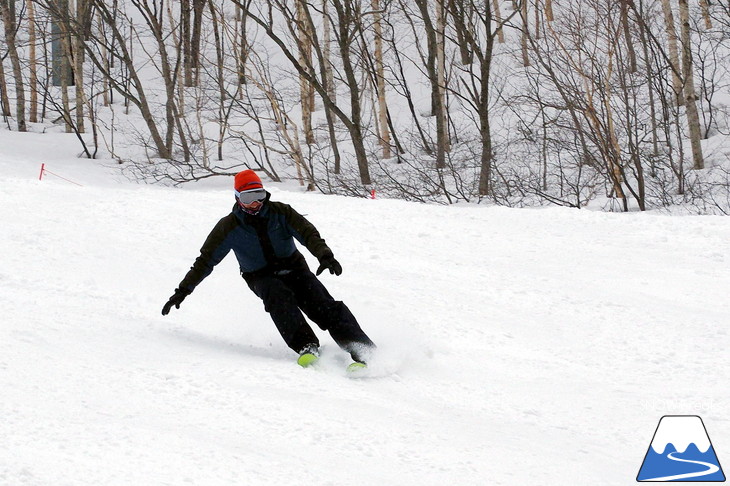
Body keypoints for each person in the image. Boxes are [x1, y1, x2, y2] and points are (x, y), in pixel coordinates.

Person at [161, 170, 376, 370]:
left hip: (294, 267)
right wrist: (183, 290)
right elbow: (205, 261)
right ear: (237, 197)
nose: (255, 203)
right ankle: (306, 346)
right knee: (277, 296)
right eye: (247, 197)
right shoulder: (228, 227)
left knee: (321, 303)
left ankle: (362, 348)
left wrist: (325, 255)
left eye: (259, 195)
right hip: (259, 276)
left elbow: (308, 233)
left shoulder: (281, 212)